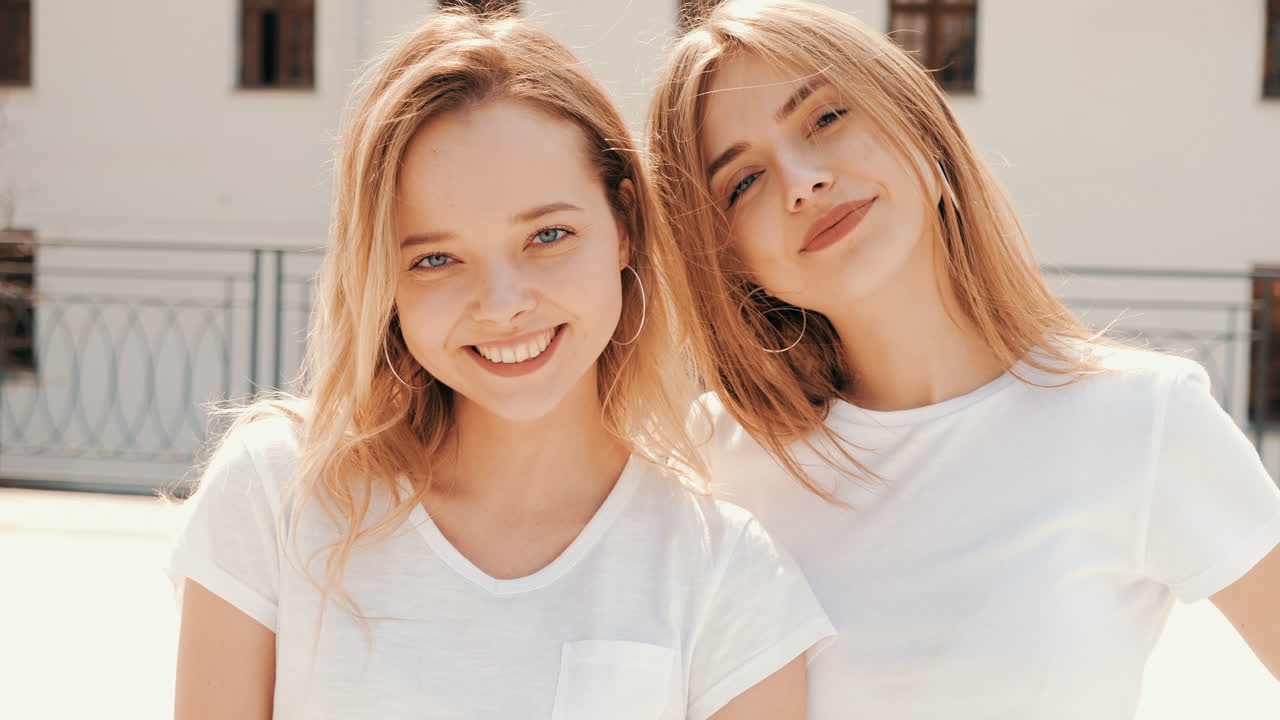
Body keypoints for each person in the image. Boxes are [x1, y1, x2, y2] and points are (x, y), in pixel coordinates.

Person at [167, 9, 833, 719]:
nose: (502, 303)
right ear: (383, 282)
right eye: (436, 258)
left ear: (625, 225)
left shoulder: (724, 574)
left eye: (548, 235)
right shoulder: (278, 495)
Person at [646, 1, 1280, 717]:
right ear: (726, 255)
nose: (801, 180)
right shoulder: (708, 463)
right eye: (743, 182)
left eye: (825, 118)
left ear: (919, 125)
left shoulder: (1144, 419)